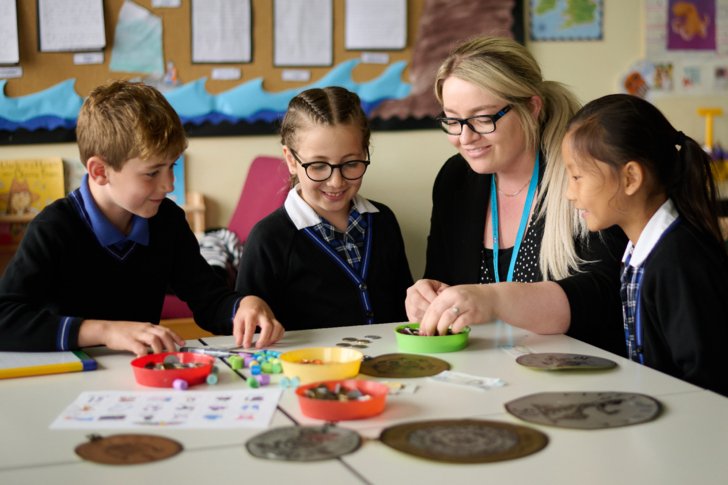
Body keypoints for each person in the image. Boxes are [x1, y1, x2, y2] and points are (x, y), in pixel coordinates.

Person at [0, 80, 283, 356]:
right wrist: (107, 332)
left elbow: (209, 300)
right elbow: (5, 319)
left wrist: (243, 305)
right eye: (152, 172)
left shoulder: (167, 220)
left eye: (172, 166)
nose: (170, 184)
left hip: (141, 376)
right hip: (69, 378)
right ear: (100, 171)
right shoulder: (55, 228)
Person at [408, 36, 627, 356]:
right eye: (453, 121)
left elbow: (602, 298)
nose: (465, 138)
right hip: (486, 370)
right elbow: (444, 277)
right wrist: (428, 295)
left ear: (531, 107)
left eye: (483, 118)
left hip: (579, 373)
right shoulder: (456, 179)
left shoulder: (583, 176)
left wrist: (495, 300)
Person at [562, 94, 728, 395]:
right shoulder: (640, 252)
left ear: (630, 178)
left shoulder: (678, 263)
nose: (570, 193)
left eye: (577, 177)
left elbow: (707, 381)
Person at [235, 87, 413, 329]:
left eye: (351, 163)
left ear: (365, 153)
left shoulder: (384, 220)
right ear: (291, 160)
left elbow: (405, 307)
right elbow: (251, 327)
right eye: (318, 166)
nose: (336, 182)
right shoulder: (268, 238)